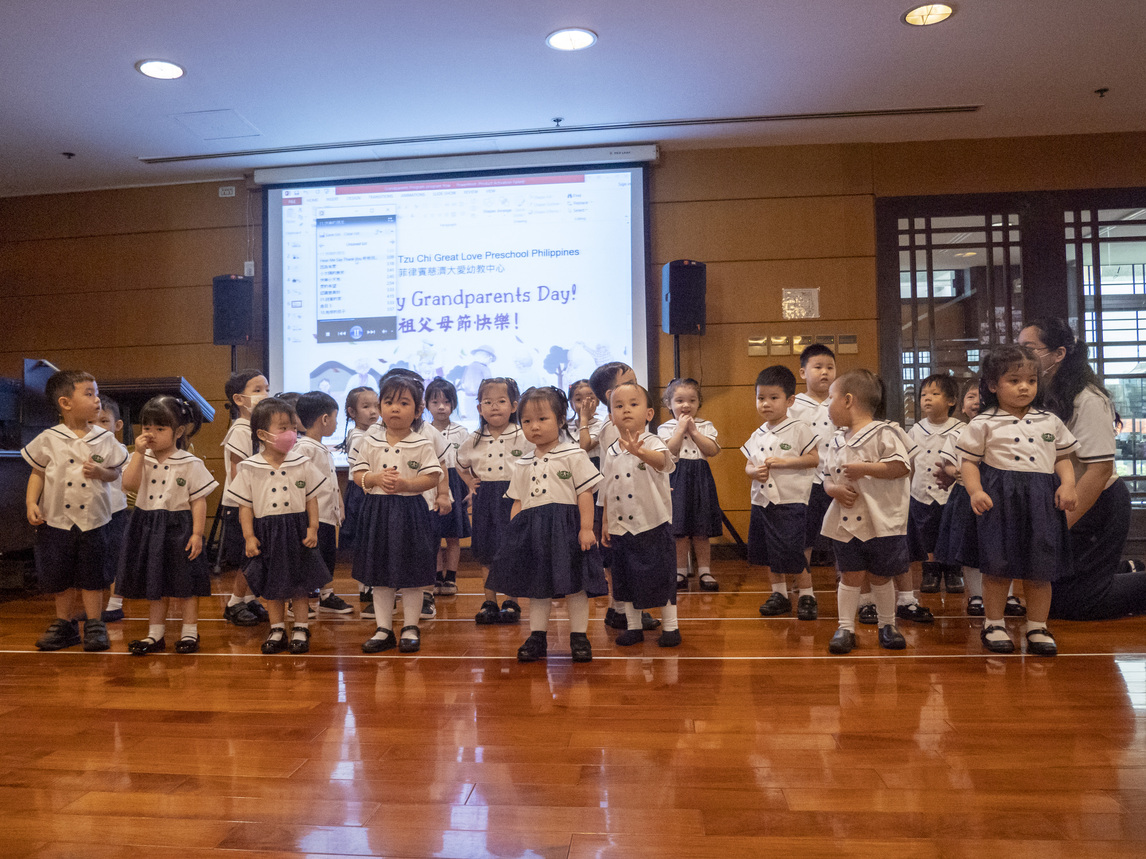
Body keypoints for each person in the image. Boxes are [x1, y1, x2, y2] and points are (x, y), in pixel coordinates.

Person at [1020, 318, 1146, 620]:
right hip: (1066, 499)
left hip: (1097, 502)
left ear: (1059, 354)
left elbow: (1099, 471)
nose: (1021, 356)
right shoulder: (1041, 395)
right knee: (1050, 593)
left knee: (1076, 603)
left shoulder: (1087, 398)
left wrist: (1059, 526)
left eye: (1029, 349)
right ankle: (1126, 568)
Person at [958, 344, 1078, 656]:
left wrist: (1068, 485)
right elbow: (968, 463)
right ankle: (994, 622)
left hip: (1041, 500)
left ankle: (1037, 625)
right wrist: (976, 491)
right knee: (997, 568)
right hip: (999, 500)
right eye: (1014, 380)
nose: (1024, 387)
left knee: (1041, 569)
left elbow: (1062, 458)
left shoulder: (1049, 421)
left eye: (1031, 380)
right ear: (993, 385)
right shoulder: (983, 422)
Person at [486, 386, 607, 663]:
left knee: (575, 585)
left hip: (567, 530)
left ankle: (579, 636)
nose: (534, 427)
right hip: (533, 532)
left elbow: (584, 493)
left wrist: (586, 528)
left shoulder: (574, 454)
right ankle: (537, 636)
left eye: (542, 419)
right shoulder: (522, 462)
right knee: (537, 586)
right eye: (527, 421)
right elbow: (517, 501)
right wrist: (514, 533)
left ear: (561, 420)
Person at [22, 370, 128, 651]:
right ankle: (64, 624)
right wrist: (32, 502)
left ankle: (94, 623)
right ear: (66, 403)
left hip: (94, 520)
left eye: (96, 393)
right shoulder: (49, 438)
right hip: (56, 521)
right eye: (89, 394)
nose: (97, 400)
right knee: (60, 575)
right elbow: (38, 473)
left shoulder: (104, 439)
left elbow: (115, 474)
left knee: (93, 575)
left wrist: (101, 471)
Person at [822, 369, 914, 655]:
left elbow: (901, 467)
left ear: (848, 400)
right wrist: (832, 489)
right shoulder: (837, 439)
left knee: (880, 576)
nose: (828, 405)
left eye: (830, 398)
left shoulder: (885, 432)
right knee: (850, 575)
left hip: (880, 521)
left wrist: (865, 469)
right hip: (845, 522)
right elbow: (826, 476)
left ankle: (888, 625)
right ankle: (845, 627)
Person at [230, 397, 331, 655]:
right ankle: (277, 628)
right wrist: (249, 537)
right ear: (262, 434)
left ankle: (300, 627)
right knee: (273, 586)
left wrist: (312, 528)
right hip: (267, 532)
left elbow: (311, 498)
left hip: (296, 529)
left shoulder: (301, 462)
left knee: (300, 584)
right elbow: (245, 507)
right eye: (283, 428)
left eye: (293, 428)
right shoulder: (250, 467)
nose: (291, 434)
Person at [351, 375, 443, 654]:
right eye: (388, 402)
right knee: (379, 574)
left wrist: (406, 485)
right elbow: (357, 474)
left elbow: (433, 477)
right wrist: (375, 479)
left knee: (413, 573)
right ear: (380, 407)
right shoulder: (370, 440)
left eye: (404, 403)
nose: (395, 408)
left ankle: (411, 627)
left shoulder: (423, 443)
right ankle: (383, 628)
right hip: (377, 512)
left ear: (417, 411)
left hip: (411, 513)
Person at [118, 396, 216, 655]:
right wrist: (138, 454)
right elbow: (129, 484)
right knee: (155, 583)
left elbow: (198, 501)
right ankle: (155, 634)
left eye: (160, 429)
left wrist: (197, 534)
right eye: (147, 428)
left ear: (179, 431)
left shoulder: (190, 462)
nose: (151, 434)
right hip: (147, 523)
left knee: (185, 584)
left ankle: (189, 632)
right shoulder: (140, 457)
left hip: (178, 525)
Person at [599, 382, 681, 647]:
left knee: (661, 577)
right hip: (622, 528)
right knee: (626, 579)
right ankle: (633, 627)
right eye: (618, 406)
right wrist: (605, 522)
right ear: (611, 416)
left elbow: (664, 463)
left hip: (653, 524)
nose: (625, 410)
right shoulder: (611, 451)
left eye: (633, 404)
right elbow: (607, 489)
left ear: (648, 414)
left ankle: (671, 627)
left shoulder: (654, 442)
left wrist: (640, 452)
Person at [741, 366, 820, 620]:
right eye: (761, 398)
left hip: (790, 502)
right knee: (768, 552)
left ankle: (807, 595)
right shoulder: (757, 434)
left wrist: (784, 463)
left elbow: (813, 459)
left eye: (773, 398)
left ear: (789, 401)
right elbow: (748, 464)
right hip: (762, 502)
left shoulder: (799, 428)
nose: (766, 404)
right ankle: (779, 595)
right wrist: (754, 472)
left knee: (792, 550)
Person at [589, 361, 659, 632]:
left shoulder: (634, 421)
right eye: (626, 382)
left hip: (634, 498)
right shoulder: (612, 427)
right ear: (609, 397)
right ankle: (620, 608)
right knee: (617, 558)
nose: (635, 387)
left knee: (630, 556)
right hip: (613, 501)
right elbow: (615, 469)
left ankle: (623, 608)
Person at [456, 377, 530, 625]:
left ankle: (512, 601)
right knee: (486, 551)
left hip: (514, 498)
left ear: (514, 406)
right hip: (485, 498)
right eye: (488, 402)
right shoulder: (474, 437)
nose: (494, 407)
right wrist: (469, 482)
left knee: (512, 550)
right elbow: (460, 464)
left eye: (501, 401)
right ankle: (490, 601)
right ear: (479, 408)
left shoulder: (523, 435)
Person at [900, 373, 964, 622]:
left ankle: (952, 571)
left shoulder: (961, 429)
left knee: (950, 532)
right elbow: (910, 463)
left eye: (935, 394)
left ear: (951, 401)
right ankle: (931, 571)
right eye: (924, 395)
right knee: (925, 535)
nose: (927, 399)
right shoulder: (915, 429)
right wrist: (906, 489)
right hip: (921, 492)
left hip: (950, 493)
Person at [658, 378, 723, 592]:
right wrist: (680, 430)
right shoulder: (664, 428)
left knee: (701, 529)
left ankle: (705, 570)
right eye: (679, 400)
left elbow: (712, 450)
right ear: (669, 404)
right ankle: (680, 571)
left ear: (698, 403)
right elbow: (669, 452)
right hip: (676, 477)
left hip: (700, 478)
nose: (686, 405)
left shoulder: (706, 426)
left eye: (691, 400)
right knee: (679, 529)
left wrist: (694, 432)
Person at [219, 369, 272, 627]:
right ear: (239, 400)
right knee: (246, 558)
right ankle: (233, 604)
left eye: (267, 390)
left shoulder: (256, 429)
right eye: (257, 390)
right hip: (240, 506)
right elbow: (237, 471)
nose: (265, 395)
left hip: (256, 505)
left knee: (256, 556)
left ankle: (249, 598)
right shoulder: (241, 430)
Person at [295, 391, 353, 616]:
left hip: (327, 515)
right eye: (336, 418)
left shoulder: (321, 447)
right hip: (313, 517)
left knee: (327, 556)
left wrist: (339, 506)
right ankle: (298, 601)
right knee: (310, 559)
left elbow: (330, 482)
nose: (337, 424)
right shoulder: (304, 448)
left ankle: (326, 596)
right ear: (325, 419)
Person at [789, 344, 838, 569]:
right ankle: (802, 582)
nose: (825, 372)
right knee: (804, 535)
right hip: (806, 479)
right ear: (803, 373)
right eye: (817, 367)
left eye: (830, 367)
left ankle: (847, 579)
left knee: (842, 533)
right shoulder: (792, 405)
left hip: (838, 479)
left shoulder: (841, 403)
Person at [425, 377, 471, 596]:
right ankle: (434, 576)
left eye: (446, 402)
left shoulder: (461, 432)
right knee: (433, 534)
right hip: (432, 482)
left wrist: (470, 487)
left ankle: (450, 577)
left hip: (456, 481)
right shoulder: (423, 431)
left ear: (453, 404)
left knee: (453, 535)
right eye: (435, 402)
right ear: (426, 405)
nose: (441, 407)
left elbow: (468, 461)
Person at [338, 386, 380, 614]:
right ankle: (368, 587)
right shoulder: (359, 437)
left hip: (367, 489)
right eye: (366, 407)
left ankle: (368, 586)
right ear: (352, 412)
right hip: (362, 491)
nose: (373, 412)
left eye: (376, 406)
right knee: (366, 541)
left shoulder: (371, 433)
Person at [96, 397, 130, 623]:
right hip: (93, 513)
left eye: (103, 421)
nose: (97, 427)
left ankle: (115, 604)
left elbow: (126, 481)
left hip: (115, 512)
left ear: (117, 426)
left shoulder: (119, 450)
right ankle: (97, 607)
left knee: (115, 558)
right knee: (97, 559)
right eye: (91, 421)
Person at [567, 379, 603, 464]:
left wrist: (584, 418)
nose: (585, 403)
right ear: (571, 404)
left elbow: (584, 447)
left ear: (598, 401)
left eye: (590, 398)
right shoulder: (566, 427)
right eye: (578, 399)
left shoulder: (601, 426)